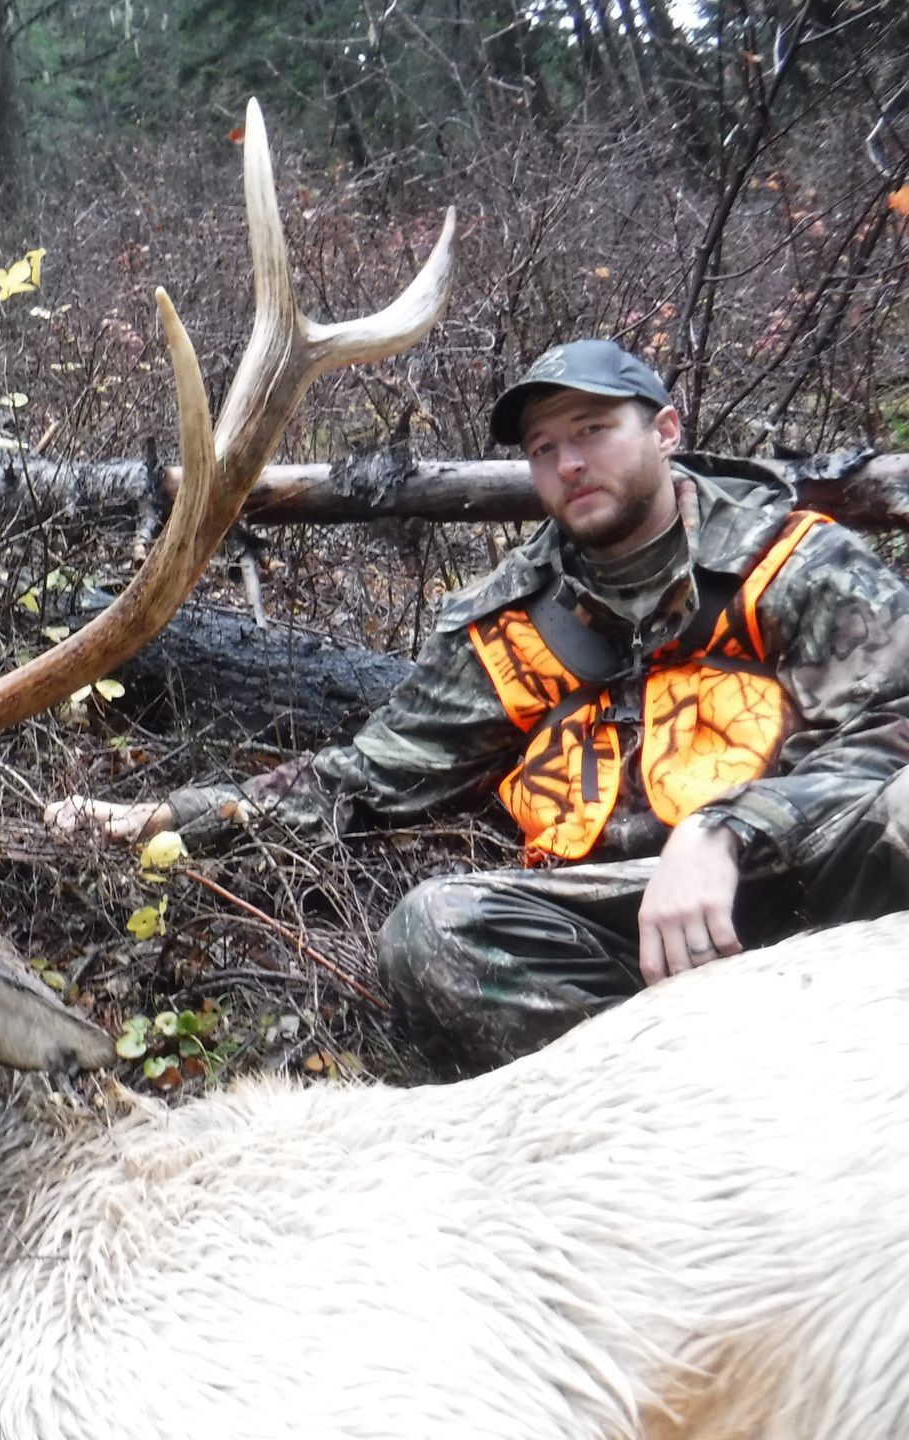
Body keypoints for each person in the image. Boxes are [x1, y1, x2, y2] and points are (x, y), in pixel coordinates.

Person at [48, 339, 909, 1073]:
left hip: (800, 877)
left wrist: (726, 831)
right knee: (436, 932)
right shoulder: (509, 621)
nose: (569, 465)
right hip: (625, 928)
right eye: (543, 448)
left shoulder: (798, 564)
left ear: (667, 431)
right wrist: (167, 816)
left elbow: (891, 731)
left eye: (594, 431)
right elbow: (370, 777)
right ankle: (709, 1087)